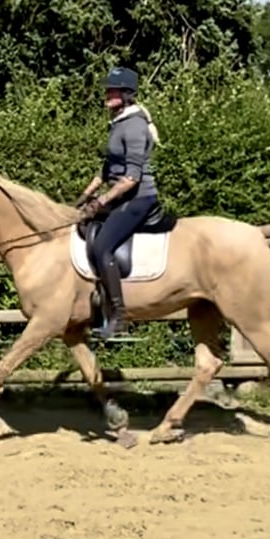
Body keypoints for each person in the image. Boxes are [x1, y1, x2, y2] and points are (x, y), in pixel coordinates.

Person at [75, 66, 161, 339]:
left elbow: (131, 178)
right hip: (120, 195)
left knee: (103, 247)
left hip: (138, 197)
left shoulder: (134, 126)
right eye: (107, 90)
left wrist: (100, 202)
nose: (106, 94)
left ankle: (119, 316)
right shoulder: (119, 122)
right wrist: (84, 196)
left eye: (112, 90)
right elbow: (107, 169)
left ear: (126, 94)